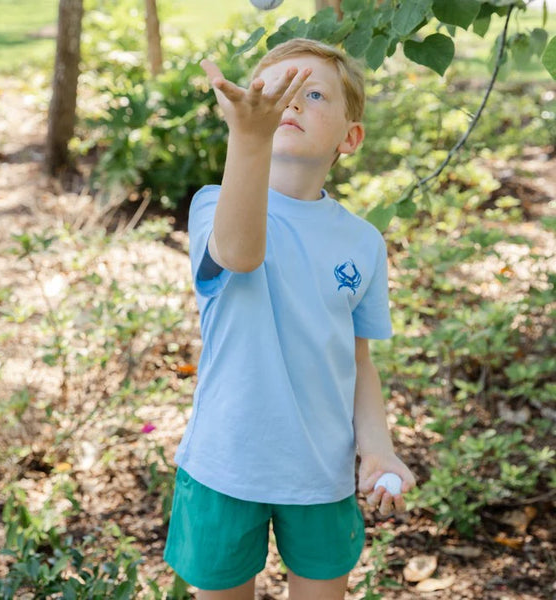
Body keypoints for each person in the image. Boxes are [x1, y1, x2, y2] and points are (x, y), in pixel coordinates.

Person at [164, 38, 416, 600]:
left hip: (321, 471)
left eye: (314, 93)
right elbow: (240, 253)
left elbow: (358, 359)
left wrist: (376, 445)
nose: (291, 103)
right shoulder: (213, 203)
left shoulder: (363, 242)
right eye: (276, 91)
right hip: (224, 464)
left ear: (349, 138)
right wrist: (247, 140)